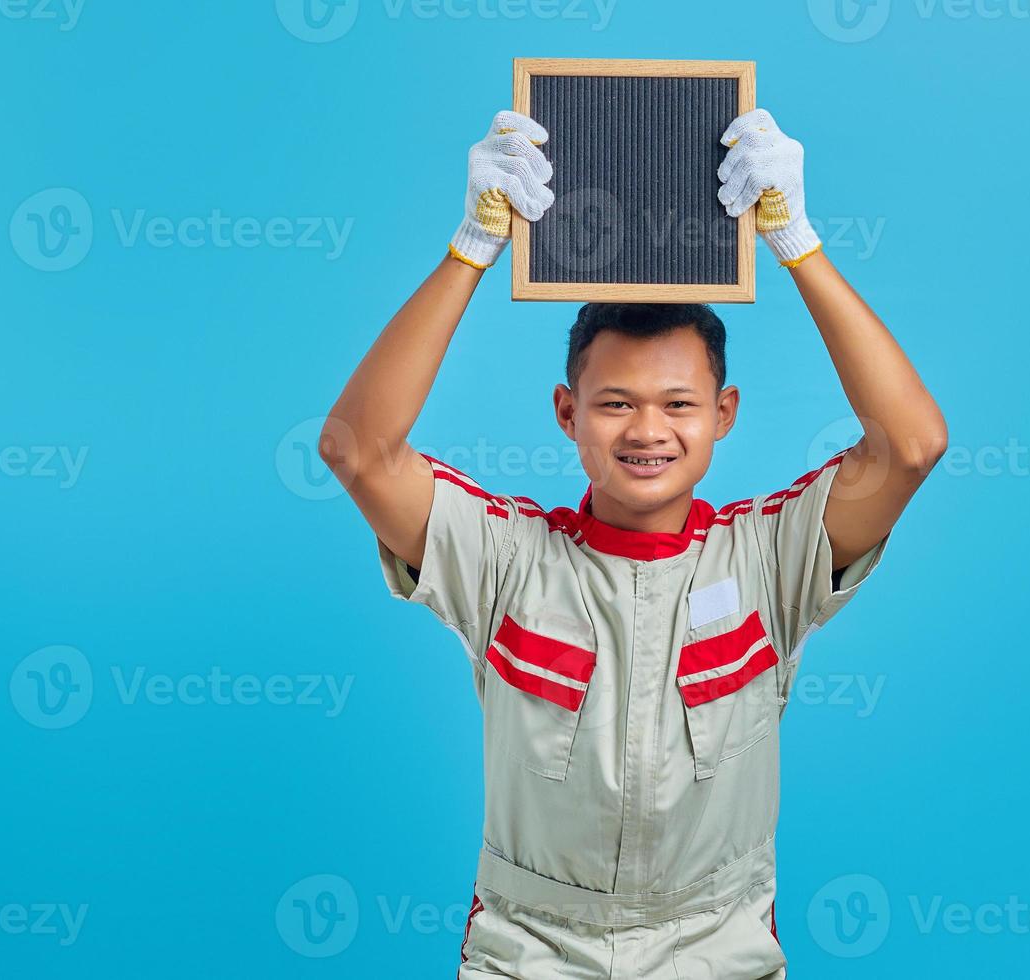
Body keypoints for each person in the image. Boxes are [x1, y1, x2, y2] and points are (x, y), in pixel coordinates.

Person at [318, 106, 947, 979]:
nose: (647, 430)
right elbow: (357, 450)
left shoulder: (770, 558)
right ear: (567, 413)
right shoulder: (505, 558)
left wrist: (798, 243)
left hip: (716, 945)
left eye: (679, 404)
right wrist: (469, 249)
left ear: (723, 415)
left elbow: (910, 447)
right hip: (531, 947)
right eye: (615, 403)